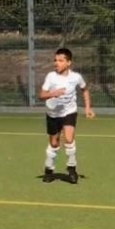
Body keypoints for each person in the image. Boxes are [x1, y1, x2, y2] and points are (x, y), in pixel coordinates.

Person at [39, 47, 95, 184]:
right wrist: (53, 93)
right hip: (53, 113)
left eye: (60, 60)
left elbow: (85, 90)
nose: (56, 63)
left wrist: (88, 108)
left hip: (69, 112)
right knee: (54, 143)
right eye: (55, 60)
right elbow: (41, 95)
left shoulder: (76, 77)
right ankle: (49, 169)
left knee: (69, 139)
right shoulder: (51, 77)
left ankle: (72, 169)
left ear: (69, 62)